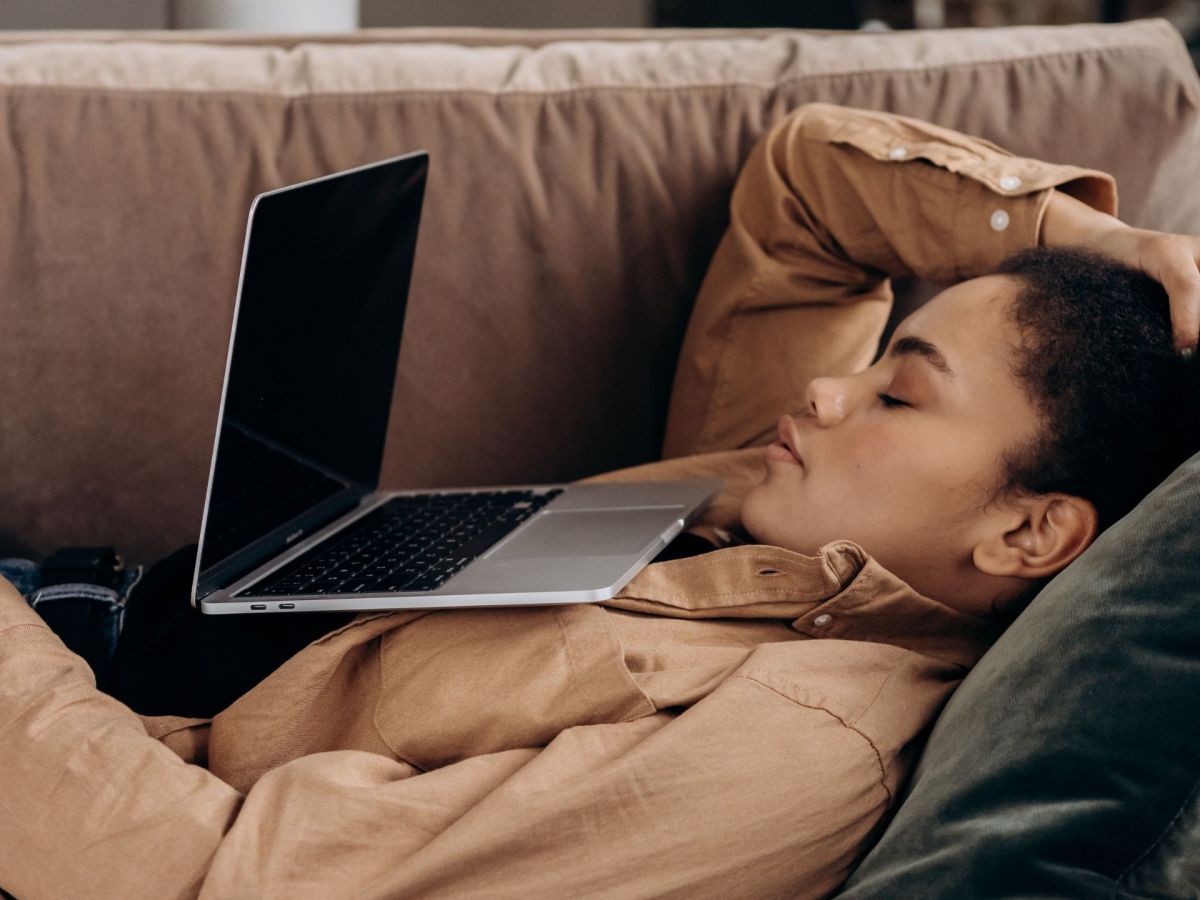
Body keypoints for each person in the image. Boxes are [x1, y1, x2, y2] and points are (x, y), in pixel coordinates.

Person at [2, 102, 1199, 899]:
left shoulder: (791, 756)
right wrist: (1091, 237)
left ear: (1030, 529)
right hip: (76, 616)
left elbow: (204, 877)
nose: (832, 391)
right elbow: (808, 196)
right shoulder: (784, 496)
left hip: (57, 753)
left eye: (901, 395)